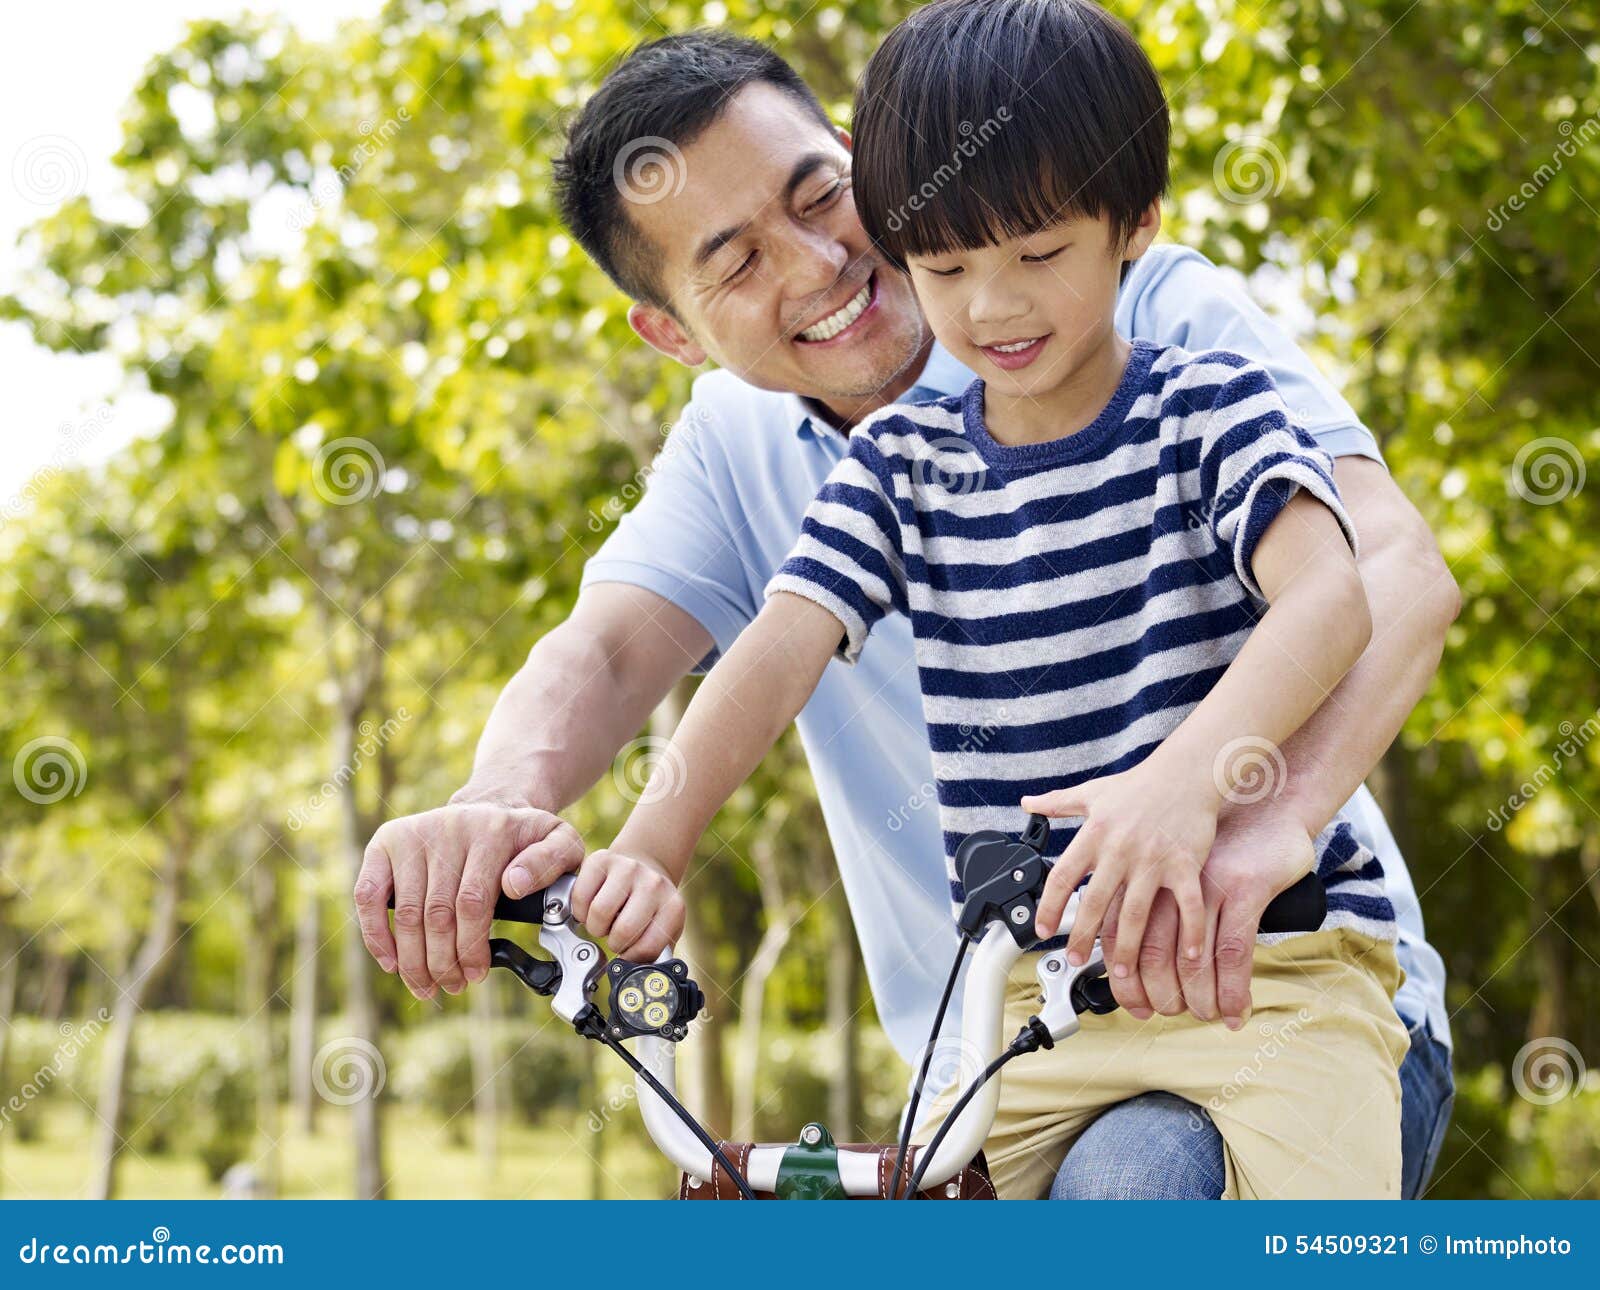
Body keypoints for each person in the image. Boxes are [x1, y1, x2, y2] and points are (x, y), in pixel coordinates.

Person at [354, 19, 1458, 1197]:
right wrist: (512, 807)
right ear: (671, 334)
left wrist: (1248, 809)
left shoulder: (1146, 316)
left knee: (1130, 1188)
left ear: (857, 156)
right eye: (734, 262)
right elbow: (616, 648)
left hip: (1274, 969)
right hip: (1003, 1040)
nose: (817, 263)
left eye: (817, 194)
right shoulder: (784, 454)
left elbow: (1388, 573)